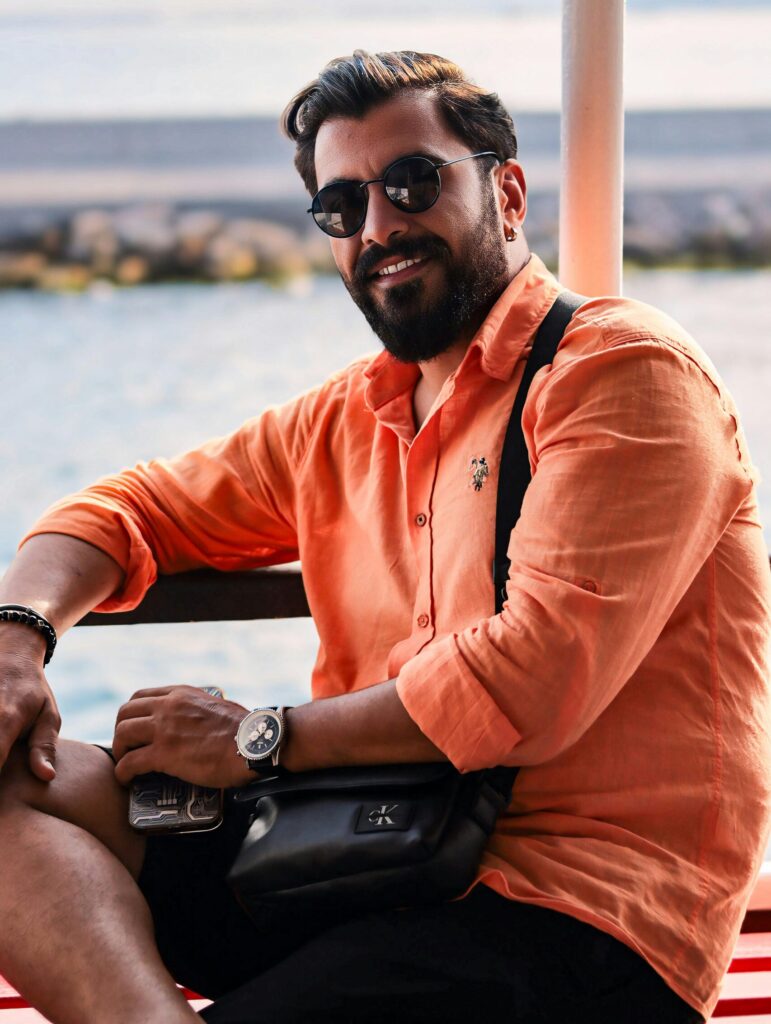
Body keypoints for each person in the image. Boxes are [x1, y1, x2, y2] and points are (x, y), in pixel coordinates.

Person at [0, 49, 768, 1024]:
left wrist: (254, 737)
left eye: (412, 182)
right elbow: (122, 510)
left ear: (509, 191)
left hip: (576, 918)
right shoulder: (347, 419)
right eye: (341, 206)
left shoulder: (620, 373)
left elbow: (530, 681)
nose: (379, 226)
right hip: (359, 850)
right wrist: (17, 639)